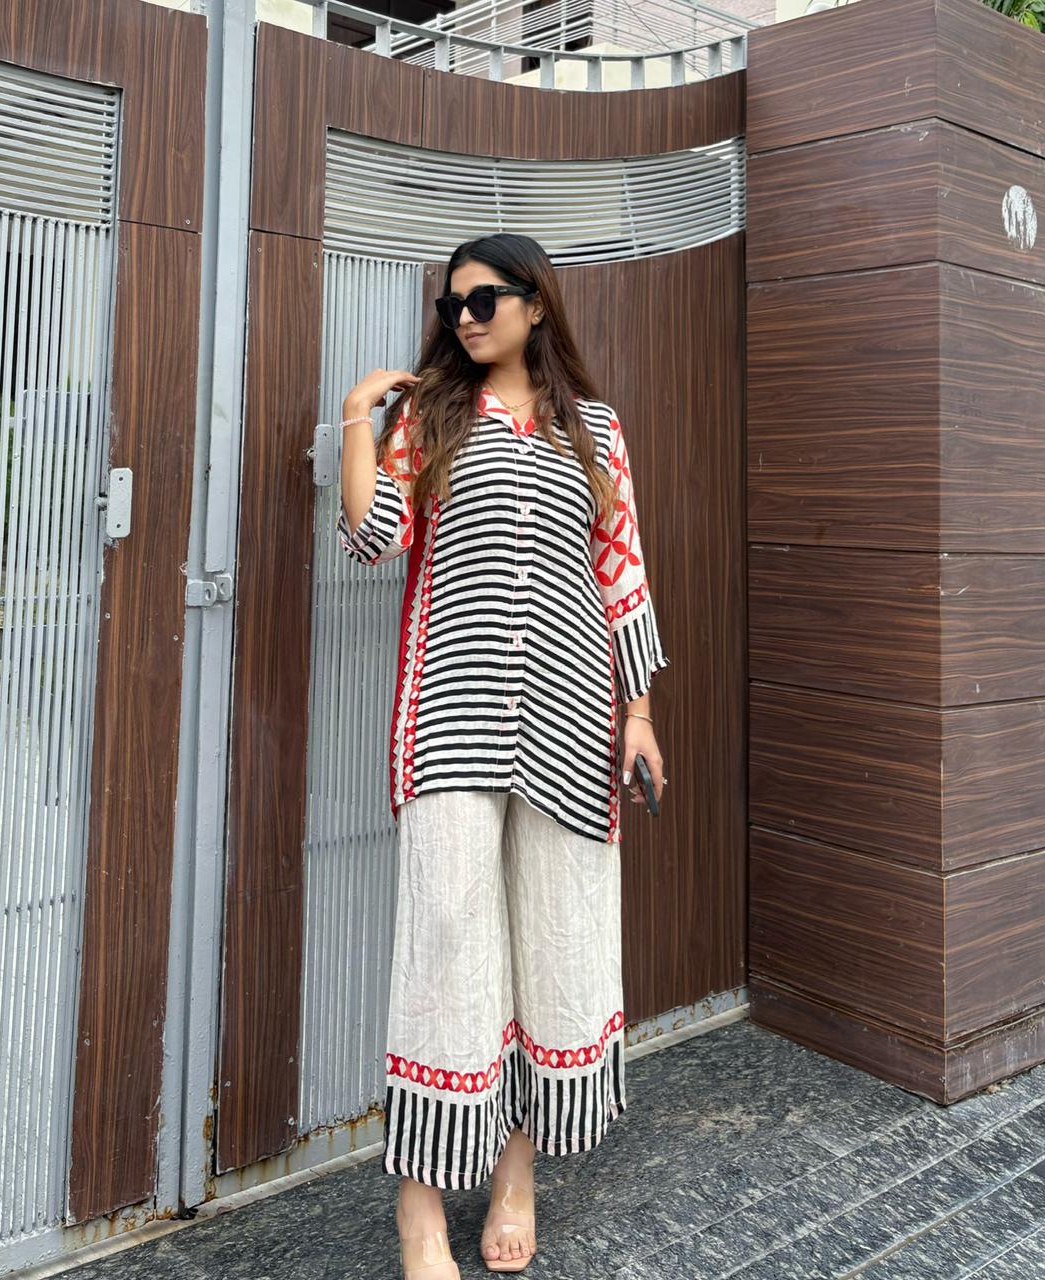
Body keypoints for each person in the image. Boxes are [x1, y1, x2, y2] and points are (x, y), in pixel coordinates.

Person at [336, 233, 671, 1278]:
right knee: (445, 949)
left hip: (572, 722)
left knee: (550, 941)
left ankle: (516, 1173)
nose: (465, 318)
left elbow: (620, 572)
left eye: (483, 300)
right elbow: (374, 537)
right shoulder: (429, 417)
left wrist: (639, 713)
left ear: (535, 304)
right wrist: (356, 421)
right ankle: (420, 1212)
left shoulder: (593, 429)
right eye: (452, 306)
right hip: (450, 718)